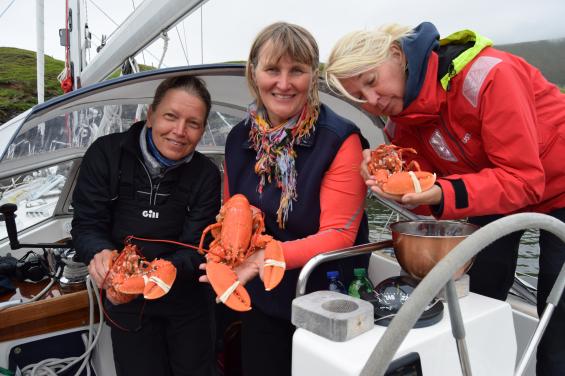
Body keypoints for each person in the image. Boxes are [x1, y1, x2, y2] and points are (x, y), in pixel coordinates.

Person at [325, 21, 565, 375]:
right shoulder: (399, 122)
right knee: (477, 298)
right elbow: (427, 199)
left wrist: (443, 191)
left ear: (396, 55)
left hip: (556, 185)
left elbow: (525, 180)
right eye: (359, 97)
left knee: (557, 317)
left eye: (372, 82)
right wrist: (392, 179)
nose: (372, 101)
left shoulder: (490, 76)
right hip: (492, 192)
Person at [205, 22, 370, 376]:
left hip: (326, 299)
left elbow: (340, 234)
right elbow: (231, 207)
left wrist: (265, 257)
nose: (283, 83)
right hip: (263, 299)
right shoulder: (239, 139)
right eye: (272, 69)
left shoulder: (339, 139)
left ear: (313, 76)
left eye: (297, 70)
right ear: (253, 73)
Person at [71, 76, 221, 376]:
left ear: (203, 130)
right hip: (125, 301)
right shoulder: (106, 154)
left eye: (193, 123)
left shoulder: (206, 175)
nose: (179, 132)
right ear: (150, 115)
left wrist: (155, 276)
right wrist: (98, 252)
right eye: (171, 116)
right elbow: (86, 225)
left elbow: (196, 248)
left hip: (187, 303)